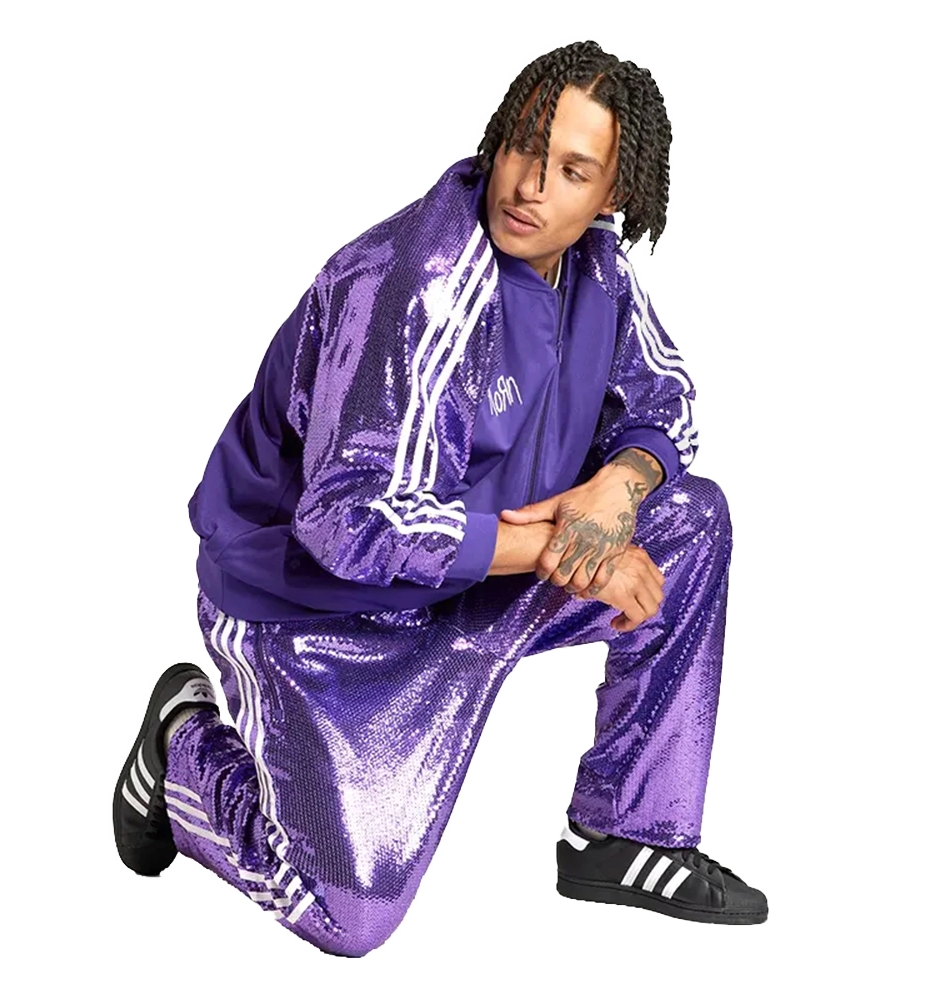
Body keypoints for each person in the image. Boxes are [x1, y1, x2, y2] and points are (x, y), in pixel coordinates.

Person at [112, 40, 768, 958]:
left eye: (571, 171)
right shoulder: (414, 286)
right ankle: (183, 749)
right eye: (524, 146)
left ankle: (628, 831)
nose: (530, 186)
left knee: (689, 522)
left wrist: (618, 490)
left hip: (470, 578)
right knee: (347, 915)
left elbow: (666, 400)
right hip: (319, 610)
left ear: (613, 195)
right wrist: (562, 547)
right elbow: (347, 520)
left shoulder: (597, 273)